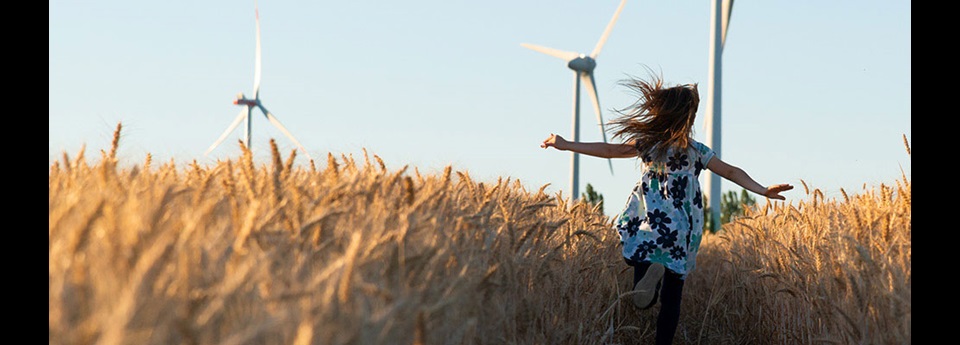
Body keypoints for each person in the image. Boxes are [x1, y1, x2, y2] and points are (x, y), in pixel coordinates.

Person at [540, 69, 793, 344]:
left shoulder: (650, 145)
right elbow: (731, 172)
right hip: (681, 229)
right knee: (673, 298)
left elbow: (609, 150)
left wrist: (566, 145)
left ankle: (645, 283)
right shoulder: (697, 150)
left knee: (640, 269)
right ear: (689, 118)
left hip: (651, 221)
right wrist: (762, 189)